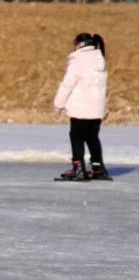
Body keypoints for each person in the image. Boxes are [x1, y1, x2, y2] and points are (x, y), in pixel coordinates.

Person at [53, 32, 111, 182]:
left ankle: (78, 168)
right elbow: (100, 88)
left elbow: (68, 84)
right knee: (92, 138)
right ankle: (98, 168)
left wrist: (58, 104)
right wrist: (103, 109)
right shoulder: (100, 60)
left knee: (76, 136)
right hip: (96, 109)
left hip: (80, 108)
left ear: (80, 44)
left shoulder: (78, 60)